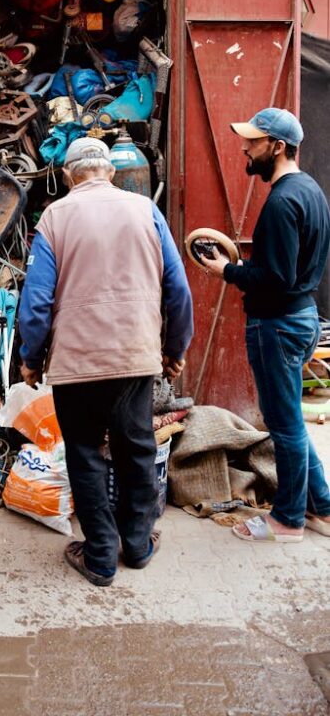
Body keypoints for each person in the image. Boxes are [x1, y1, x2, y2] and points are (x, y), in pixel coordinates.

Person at [18, 136, 193, 586]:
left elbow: (35, 302)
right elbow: (178, 290)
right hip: (135, 357)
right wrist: (174, 349)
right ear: (110, 172)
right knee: (137, 451)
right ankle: (136, 546)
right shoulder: (145, 210)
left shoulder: (54, 216)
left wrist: (30, 358)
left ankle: (99, 558)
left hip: (77, 364)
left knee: (84, 454)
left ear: (67, 176)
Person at [201, 107, 330, 543]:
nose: (244, 147)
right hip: (301, 316)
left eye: (253, 141)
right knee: (292, 420)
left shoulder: (281, 201)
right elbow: (289, 270)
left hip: (278, 323)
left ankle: (288, 519)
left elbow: (276, 278)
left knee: (285, 426)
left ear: (277, 146)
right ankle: (323, 508)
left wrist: (228, 271)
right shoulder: (310, 190)